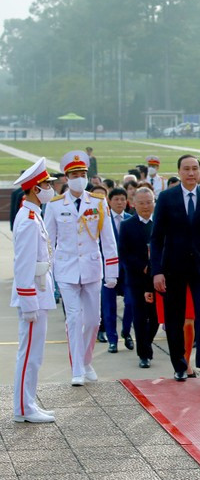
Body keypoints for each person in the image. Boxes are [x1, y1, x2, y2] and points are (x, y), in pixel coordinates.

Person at [44, 150, 118, 386]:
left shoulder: (97, 202)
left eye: (83, 173)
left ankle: (86, 361)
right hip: (66, 269)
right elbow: (48, 242)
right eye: (75, 174)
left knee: (94, 320)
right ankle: (77, 368)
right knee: (74, 319)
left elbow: (108, 240)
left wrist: (112, 271)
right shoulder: (55, 205)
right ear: (66, 177)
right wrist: (48, 274)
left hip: (92, 268)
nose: (79, 177)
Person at [150, 154, 200, 382]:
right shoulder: (166, 197)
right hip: (173, 267)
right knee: (174, 318)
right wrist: (157, 271)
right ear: (179, 172)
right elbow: (156, 238)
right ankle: (180, 365)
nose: (191, 173)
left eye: (195, 169)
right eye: (186, 169)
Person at [11, 158, 58, 423]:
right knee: (29, 353)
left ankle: (27, 403)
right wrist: (28, 302)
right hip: (33, 296)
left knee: (34, 354)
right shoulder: (29, 220)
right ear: (33, 189)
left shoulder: (33, 215)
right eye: (46, 184)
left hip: (39, 292)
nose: (51, 187)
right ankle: (22, 408)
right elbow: (24, 264)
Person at [118, 188, 160, 368]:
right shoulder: (127, 225)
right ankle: (144, 354)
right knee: (140, 316)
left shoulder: (159, 223)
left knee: (157, 317)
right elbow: (124, 253)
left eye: (149, 202)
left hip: (158, 278)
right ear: (133, 204)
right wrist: (141, 266)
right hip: (137, 280)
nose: (145, 206)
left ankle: (147, 342)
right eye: (141, 203)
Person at [103, 188, 134, 353]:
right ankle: (112, 340)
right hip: (108, 268)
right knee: (109, 307)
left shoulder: (131, 219)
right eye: (116, 199)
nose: (120, 202)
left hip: (128, 269)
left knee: (130, 303)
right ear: (109, 201)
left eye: (123, 199)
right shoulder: (103, 220)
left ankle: (126, 331)